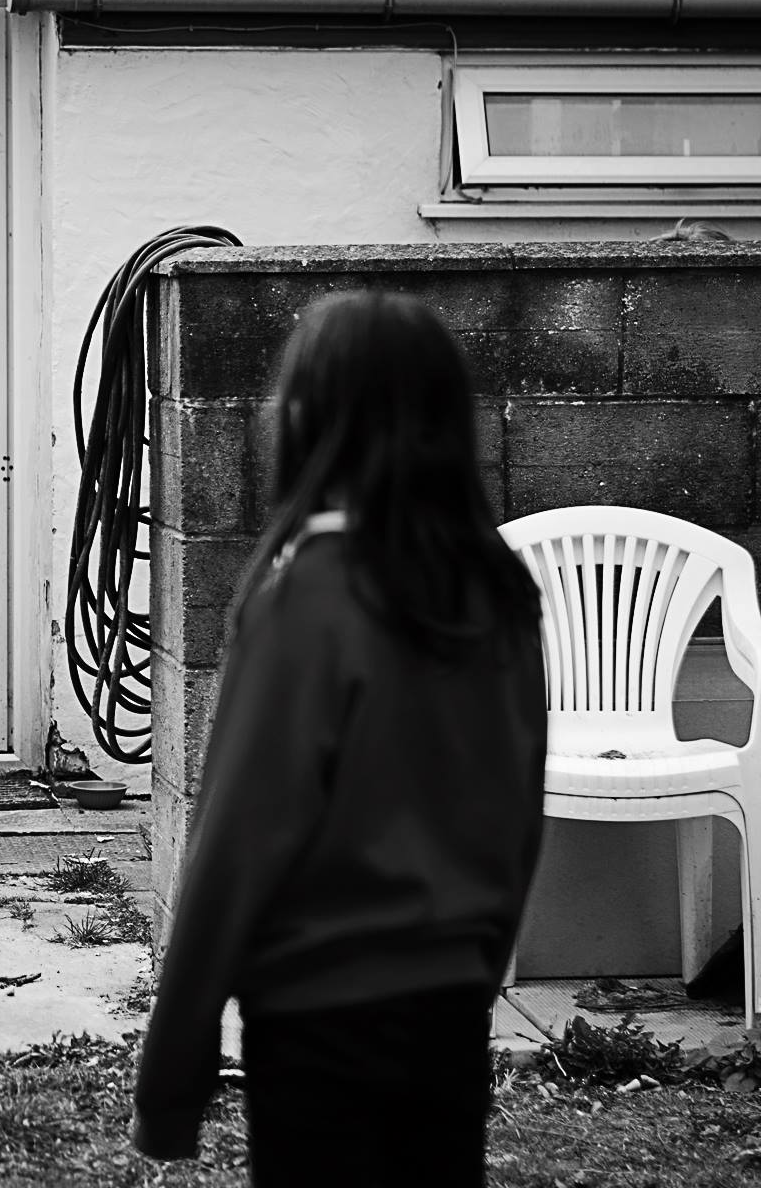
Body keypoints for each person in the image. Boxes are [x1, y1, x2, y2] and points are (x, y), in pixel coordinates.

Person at [131, 291, 549, 1186]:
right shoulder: (498, 592)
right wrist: (475, 972)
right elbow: (519, 816)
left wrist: (173, 1069)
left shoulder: (308, 597)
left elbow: (237, 843)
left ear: (308, 419)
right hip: (450, 1012)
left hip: (319, 1022)